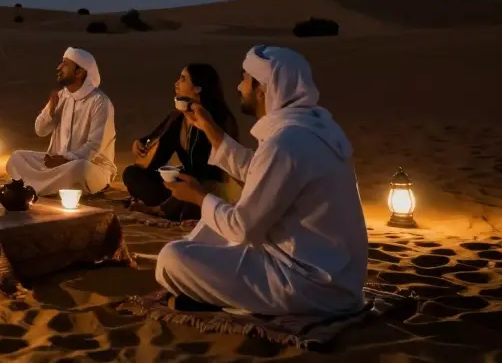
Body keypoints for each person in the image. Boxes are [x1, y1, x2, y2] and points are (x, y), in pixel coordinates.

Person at [154, 45, 368, 316]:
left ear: (262, 89)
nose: (238, 87)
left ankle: (219, 298)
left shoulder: (285, 143)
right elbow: (263, 174)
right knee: (210, 229)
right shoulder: (314, 129)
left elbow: (243, 228)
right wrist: (210, 129)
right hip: (337, 277)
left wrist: (197, 196)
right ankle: (213, 294)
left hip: (305, 283)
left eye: (245, 79)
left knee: (172, 258)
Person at [122, 64, 238, 220]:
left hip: (207, 186)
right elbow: (156, 144)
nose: (176, 83)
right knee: (132, 174)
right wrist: (140, 144)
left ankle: (162, 209)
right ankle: (171, 205)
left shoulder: (218, 120)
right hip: (183, 180)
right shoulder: (177, 118)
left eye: (183, 79)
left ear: (197, 88)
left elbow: (211, 170)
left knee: (193, 193)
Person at [5, 47, 116, 196]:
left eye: (65, 64)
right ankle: (50, 187)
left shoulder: (100, 102)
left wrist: (65, 160)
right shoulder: (61, 96)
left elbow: (95, 146)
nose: (59, 68)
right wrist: (51, 110)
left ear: (79, 72)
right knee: (17, 158)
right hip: (55, 165)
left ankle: (32, 186)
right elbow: (40, 131)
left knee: (79, 169)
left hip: (91, 166)